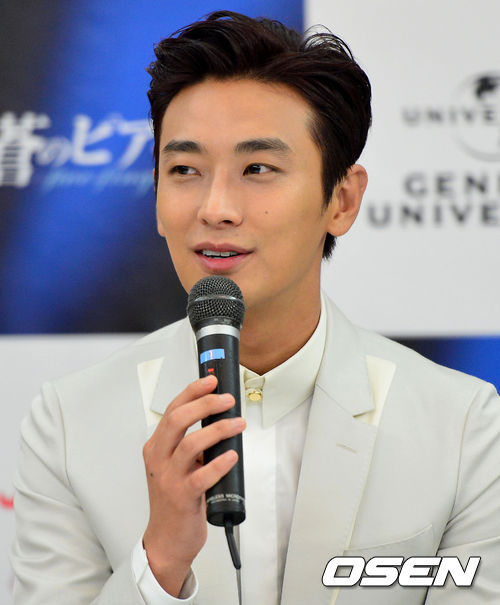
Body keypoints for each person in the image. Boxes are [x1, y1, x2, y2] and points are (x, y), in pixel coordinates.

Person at [11, 10, 500, 605]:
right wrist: (159, 562)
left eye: (257, 169)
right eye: (185, 169)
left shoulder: (462, 425)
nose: (215, 208)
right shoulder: (68, 423)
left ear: (342, 200)